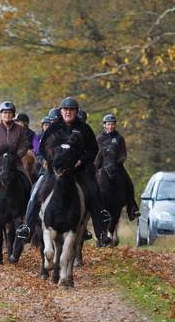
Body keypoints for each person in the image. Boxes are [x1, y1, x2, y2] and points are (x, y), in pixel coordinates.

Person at [16, 97, 112, 246]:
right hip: (54, 170)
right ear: (61, 111)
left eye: (71, 110)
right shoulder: (53, 128)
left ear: (76, 112)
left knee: (92, 192)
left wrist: (81, 161)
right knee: (36, 191)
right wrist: (45, 162)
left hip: (77, 170)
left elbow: (93, 150)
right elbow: (41, 151)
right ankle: (27, 227)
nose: (68, 112)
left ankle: (100, 232)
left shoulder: (84, 129)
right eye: (65, 109)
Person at [95, 114, 141, 221]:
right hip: (103, 167)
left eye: (112, 124)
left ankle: (132, 209)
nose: (110, 126)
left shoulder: (119, 138)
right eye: (108, 124)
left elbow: (123, 154)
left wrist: (116, 163)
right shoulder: (100, 139)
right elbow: (97, 155)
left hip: (117, 167)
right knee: (92, 183)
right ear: (105, 125)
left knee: (129, 183)